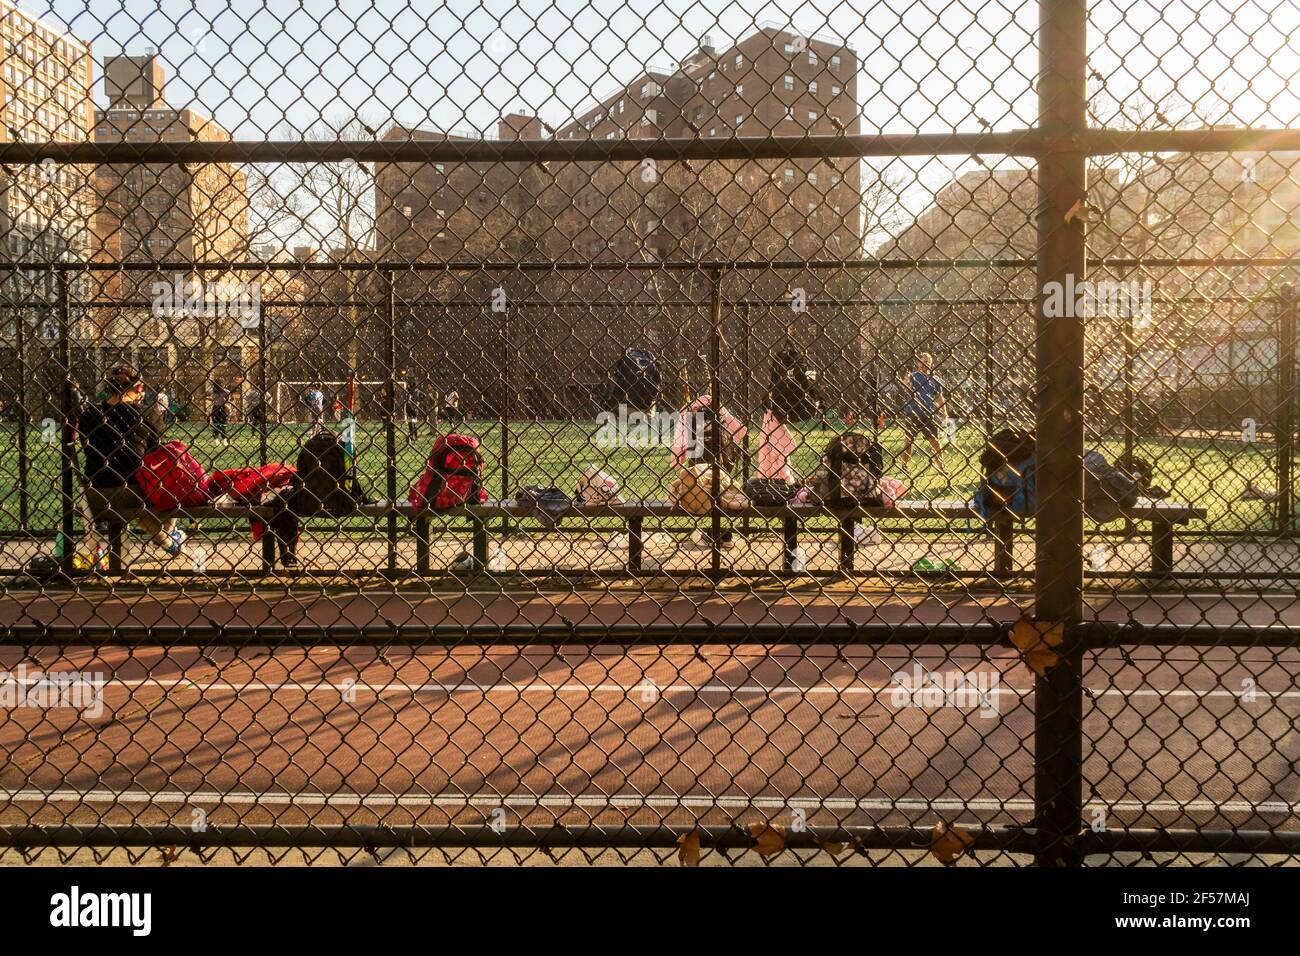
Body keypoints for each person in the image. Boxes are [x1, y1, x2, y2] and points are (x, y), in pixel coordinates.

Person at [79, 365, 187, 559]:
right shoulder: (147, 414)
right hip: (136, 490)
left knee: (136, 494)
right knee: (171, 482)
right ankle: (167, 538)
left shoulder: (89, 414)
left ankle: (169, 540)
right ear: (138, 388)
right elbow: (157, 452)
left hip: (95, 492)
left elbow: (87, 448)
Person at [898, 352, 948, 473]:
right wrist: (905, 381)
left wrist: (945, 414)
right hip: (913, 413)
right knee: (909, 441)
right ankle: (904, 464)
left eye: (928, 362)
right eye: (923, 361)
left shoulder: (935, 380)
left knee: (935, 441)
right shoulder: (913, 376)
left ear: (931, 364)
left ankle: (941, 466)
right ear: (918, 363)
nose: (925, 364)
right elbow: (905, 388)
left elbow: (939, 397)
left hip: (928, 414)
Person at [210, 379, 231, 446]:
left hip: (223, 408)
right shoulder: (213, 391)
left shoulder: (226, 391)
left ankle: (224, 439)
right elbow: (206, 395)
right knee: (216, 424)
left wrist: (227, 401)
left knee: (223, 424)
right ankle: (216, 439)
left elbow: (231, 399)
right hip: (216, 407)